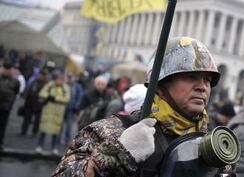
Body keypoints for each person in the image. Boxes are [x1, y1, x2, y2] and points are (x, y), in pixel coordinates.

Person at [52, 37, 221, 176]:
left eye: (207, 80)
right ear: (159, 85)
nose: (202, 87)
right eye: (191, 77)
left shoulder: (215, 142)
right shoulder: (111, 131)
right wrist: (118, 155)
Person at [36, 72, 70, 154]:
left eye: (62, 79)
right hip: (48, 110)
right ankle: (39, 146)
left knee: (56, 132)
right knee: (43, 129)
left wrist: (55, 98)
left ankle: (54, 148)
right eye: (58, 79)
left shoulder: (65, 88)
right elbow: (41, 93)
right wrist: (48, 96)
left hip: (58, 112)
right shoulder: (50, 85)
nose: (60, 81)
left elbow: (67, 99)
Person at [20, 70, 48, 136]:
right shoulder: (34, 81)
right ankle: (24, 130)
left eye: (40, 75)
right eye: (39, 75)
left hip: (38, 104)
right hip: (29, 102)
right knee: (26, 117)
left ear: (43, 76)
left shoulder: (45, 84)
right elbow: (29, 90)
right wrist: (25, 98)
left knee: (37, 120)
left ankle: (34, 132)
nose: (39, 76)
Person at [0, 62, 20, 149]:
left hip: (6, 107)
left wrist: (10, 104)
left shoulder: (15, 81)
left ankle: (0, 142)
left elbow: (16, 92)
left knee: (2, 125)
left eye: (8, 70)